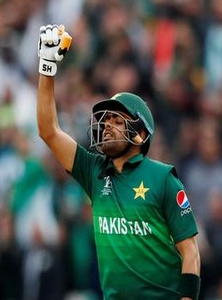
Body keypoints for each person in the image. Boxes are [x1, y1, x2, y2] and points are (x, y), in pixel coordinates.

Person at [37, 24, 201, 300]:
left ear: (140, 133)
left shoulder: (162, 178)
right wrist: (47, 68)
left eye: (117, 120)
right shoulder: (94, 171)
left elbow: (190, 251)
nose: (107, 126)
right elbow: (48, 131)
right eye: (105, 121)